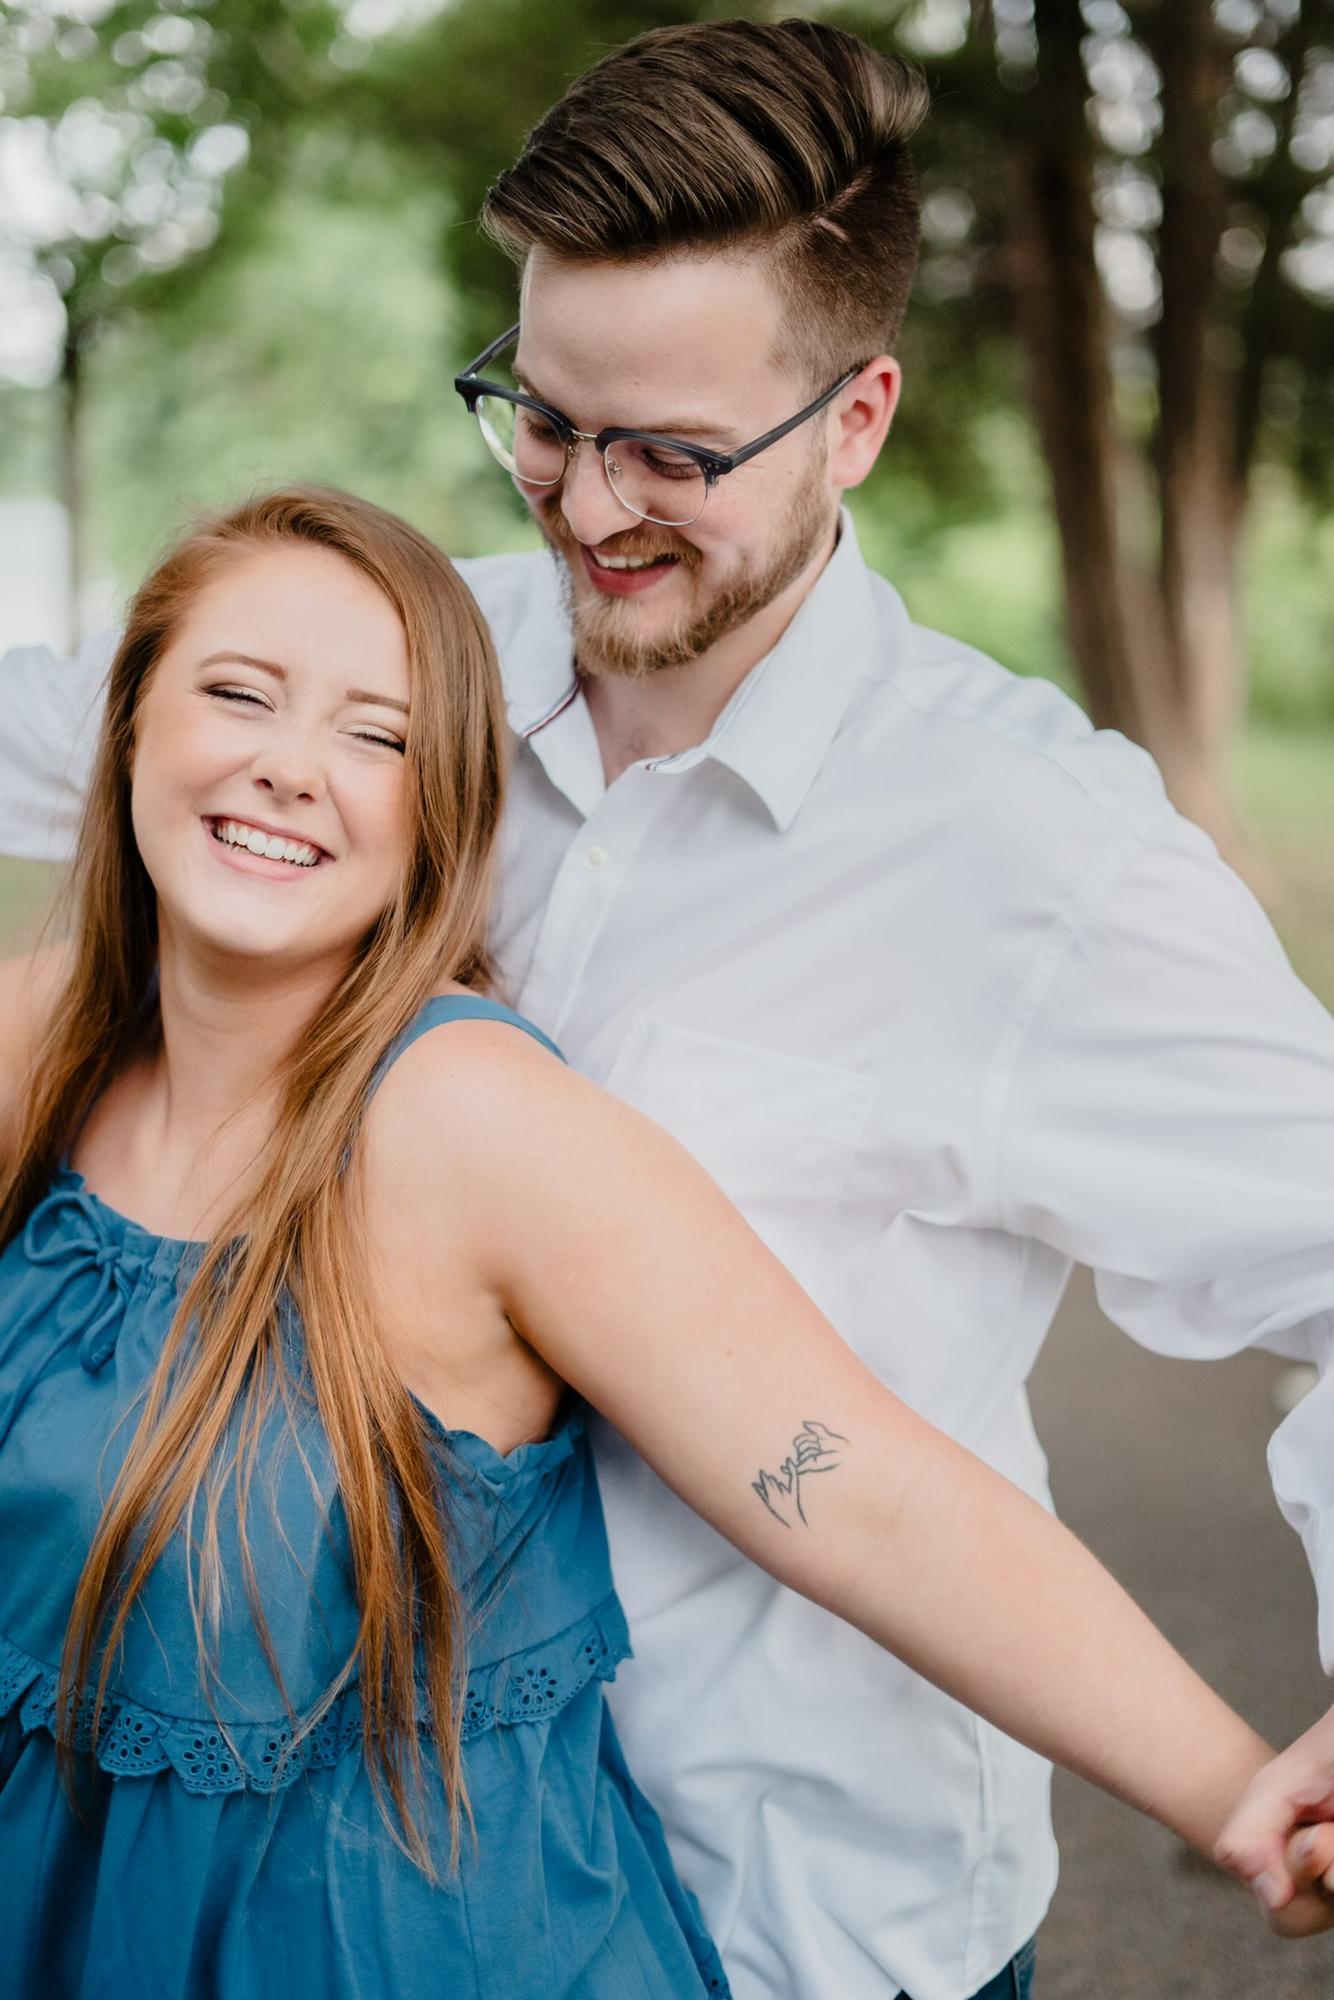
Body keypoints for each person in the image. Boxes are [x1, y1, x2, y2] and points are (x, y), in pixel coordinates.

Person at [1, 19, 1332, 2000]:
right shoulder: (411, 678)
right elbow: (118, 733)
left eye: (674, 455)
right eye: (544, 421)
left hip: (797, 1916)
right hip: (355, 1872)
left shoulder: (1037, 859)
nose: (590, 505)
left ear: (855, 418)